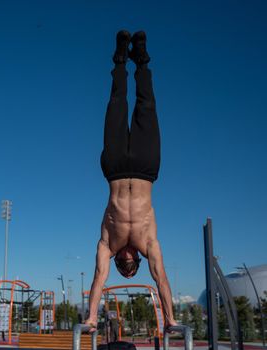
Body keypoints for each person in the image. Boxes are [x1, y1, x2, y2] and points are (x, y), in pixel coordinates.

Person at [84, 30, 177, 333]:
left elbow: (98, 278)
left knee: (116, 105)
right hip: (146, 169)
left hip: (113, 169)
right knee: (146, 107)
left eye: (120, 266)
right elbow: (161, 278)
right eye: (129, 266)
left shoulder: (107, 245)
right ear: (136, 259)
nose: (124, 262)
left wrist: (91, 317)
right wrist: (171, 319)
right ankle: (142, 59)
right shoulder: (148, 243)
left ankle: (120, 59)